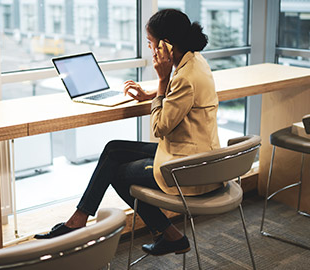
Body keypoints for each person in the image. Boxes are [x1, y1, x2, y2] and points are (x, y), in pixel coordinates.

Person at [34, 9, 221, 257]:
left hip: (186, 167)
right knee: (113, 149)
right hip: (195, 153)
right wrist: (154, 93)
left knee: (118, 174)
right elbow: (181, 98)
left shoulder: (183, 77)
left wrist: (162, 82)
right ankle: (78, 220)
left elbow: (159, 128)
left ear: (165, 45)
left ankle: (169, 235)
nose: (151, 50)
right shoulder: (195, 62)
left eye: (151, 44)